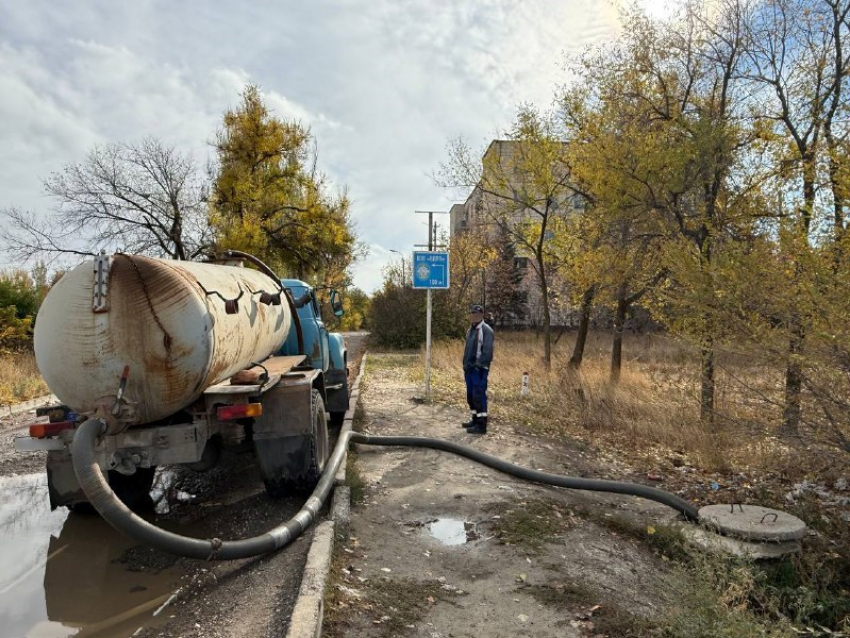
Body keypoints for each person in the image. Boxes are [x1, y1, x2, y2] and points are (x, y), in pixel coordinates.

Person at [461, 304, 494, 434]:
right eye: (472, 314)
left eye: (476, 314)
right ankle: (474, 419)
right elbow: (467, 349)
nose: (474, 316)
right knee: (470, 396)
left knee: (478, 396)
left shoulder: (486, 330)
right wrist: (465, 364)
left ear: (481, 315)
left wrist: (478, 365)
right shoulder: (470, 330)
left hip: (479, 370)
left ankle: (482, 425)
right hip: (468, 369)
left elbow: (487, 352)